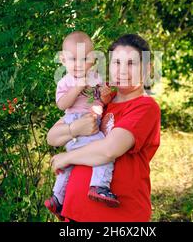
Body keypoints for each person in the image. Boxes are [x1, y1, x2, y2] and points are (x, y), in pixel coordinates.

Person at [48, 33, 161, 222]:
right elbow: (52, 137)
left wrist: (65, 158)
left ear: (147, 68)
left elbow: (109, 150)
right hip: (75, 213)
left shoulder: (145, 107)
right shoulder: (100, 96)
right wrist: (75, 128)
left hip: (119, 218)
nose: (122, 70)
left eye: (131, 64)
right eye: (116, 62)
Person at [44, 31, 119, 221]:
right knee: (102, 151)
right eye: (73, 59)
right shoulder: (65, 81)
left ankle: (57, 198)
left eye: (84, 58)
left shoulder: (96, 78)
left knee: (69, 165)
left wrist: (105, 95)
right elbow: (62, 105)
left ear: (93, 59)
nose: (78, 64)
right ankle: (100, 185)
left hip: (91, 119)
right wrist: (77, 87)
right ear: (63, 60)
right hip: (75, 120)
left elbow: (101, 101)